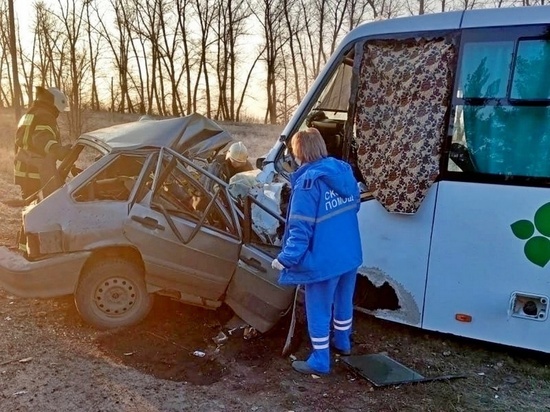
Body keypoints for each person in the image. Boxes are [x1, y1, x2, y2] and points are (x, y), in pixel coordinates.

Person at [272, 127, 362, 375]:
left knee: (319, 308)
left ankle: (320, 359)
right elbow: (355, 207)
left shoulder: (308, 183)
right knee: (344, 301)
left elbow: (300, 228)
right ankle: (343, 342)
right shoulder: (343, 172)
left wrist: (286, 259)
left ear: (298, 151)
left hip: (324, 259)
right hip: (350, 253)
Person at [14, 86, 71, 199]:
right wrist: (58, 150)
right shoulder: (45, 115)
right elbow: (41, 138)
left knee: (32, 205)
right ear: (55, 105)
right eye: (59, 110)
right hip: (35, 172)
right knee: (40, 208)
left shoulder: (32, 112)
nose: (59, 113)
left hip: (25, 169)